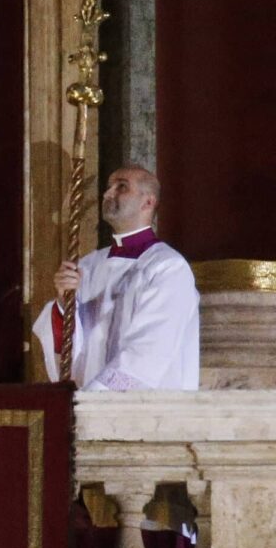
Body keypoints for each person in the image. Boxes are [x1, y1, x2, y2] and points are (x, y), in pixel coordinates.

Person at [33, 165, 199, 390]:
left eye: (121, 187)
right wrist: (64, 304)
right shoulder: (88, 266)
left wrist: (96, 396)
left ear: (148, 202)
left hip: (140, 405)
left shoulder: (167, 267)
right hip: (88, 401)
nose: (107, 193)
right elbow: (71, 349)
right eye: (109, 187)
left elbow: (150, 350)